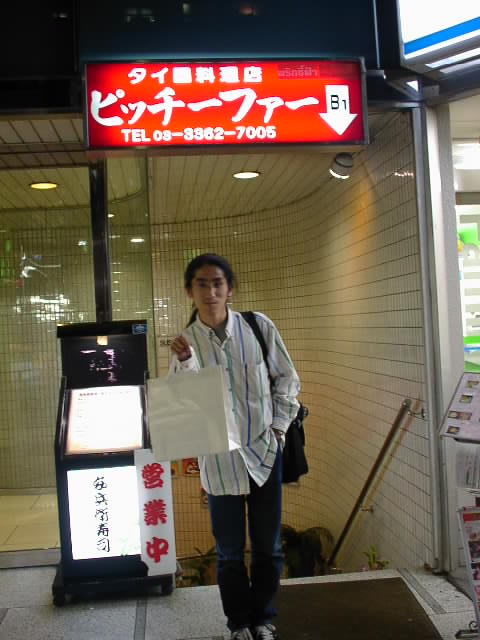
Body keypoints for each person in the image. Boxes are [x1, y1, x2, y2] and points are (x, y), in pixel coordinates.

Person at [170, 253, 300, 640]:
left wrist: (278, 430)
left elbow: (287, 380)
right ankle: (239, 623)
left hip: (264, 454)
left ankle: (263, 618)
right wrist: (184, 363)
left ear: (230, 289)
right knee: (228, 553)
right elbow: (182, 405)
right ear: (189, 291)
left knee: (268, 547)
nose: (210, 291)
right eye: (201, 284)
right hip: (219, 463)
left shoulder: (258, 327)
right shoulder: (185, 343)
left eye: (217, 283)